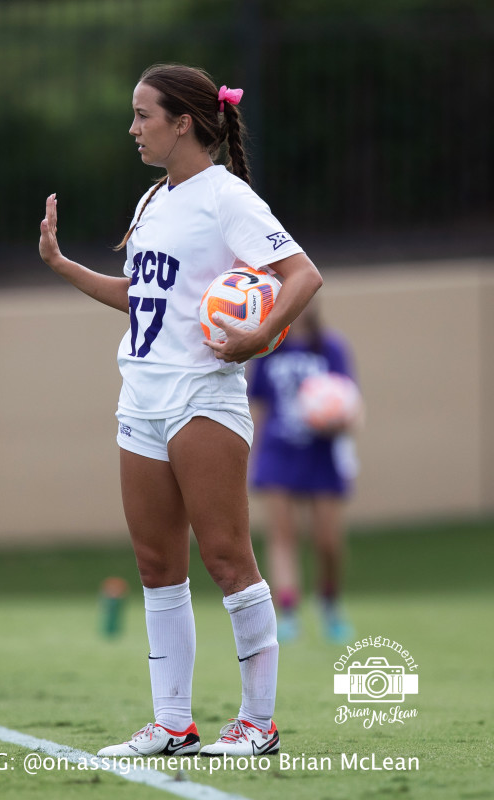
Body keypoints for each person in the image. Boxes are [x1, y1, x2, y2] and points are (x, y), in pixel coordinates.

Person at [37, 63, 323, 758]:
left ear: (184, 122)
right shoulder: (153, 200)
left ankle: (258, 724)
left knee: (226, 558)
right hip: (140, 394)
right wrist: (65, 265)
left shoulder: (228, 198)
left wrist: (259, 336)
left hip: (202, 393)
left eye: (143, 115)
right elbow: (145, 298)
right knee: (155, 563)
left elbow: (302, 276)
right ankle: (172, 724)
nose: (133, 128)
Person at [247, 300, 358, 645]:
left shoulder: (332, 348)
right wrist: (252, 454)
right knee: (283, 536)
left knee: (327, 541)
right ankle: (289, 613)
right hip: (279, 452)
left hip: (322, 453)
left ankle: (329, 603)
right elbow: (257, 405)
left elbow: (352, 402)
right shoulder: (267, 347)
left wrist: (342, 424)